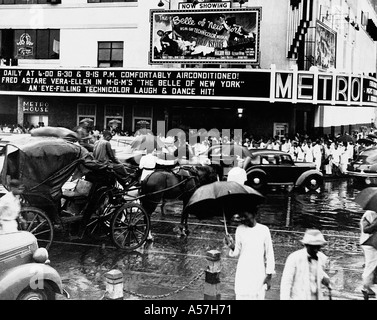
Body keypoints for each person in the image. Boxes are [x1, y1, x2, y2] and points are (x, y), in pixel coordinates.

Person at [224, 207, 275, 300]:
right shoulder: (239, 229)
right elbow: (237, 252)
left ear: (254, 214)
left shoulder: (264, 230)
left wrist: (269, 276)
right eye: (241, 217)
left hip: (258, 272)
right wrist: (231, 245)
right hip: (243, 272)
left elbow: (269, 254)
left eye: (245, 216)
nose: (243, 219)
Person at [280, 229, 331, 300]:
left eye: (318, 246)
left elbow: (318, 273)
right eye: (313, 247)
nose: (316, 250)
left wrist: (325, 278)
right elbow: (286, 282)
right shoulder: (294, 258)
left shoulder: (322, 258)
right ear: (306, 245)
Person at [359, 209, 377, 298]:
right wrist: (375, 224)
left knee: (373, 265)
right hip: (369, 244)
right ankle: (366, 287)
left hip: (374, 242)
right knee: (371, 264)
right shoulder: (369, 213)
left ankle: (369, 286)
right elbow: (366, 229)